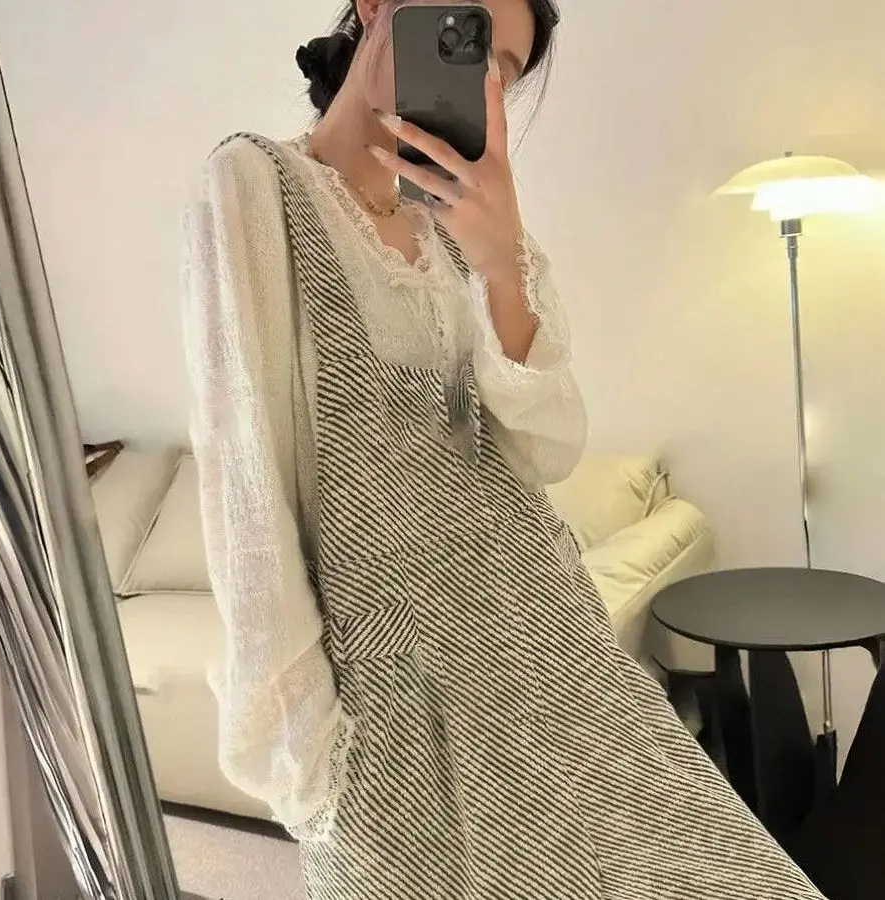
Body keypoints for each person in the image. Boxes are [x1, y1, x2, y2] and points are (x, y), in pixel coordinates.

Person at [181, 0, 827, 897]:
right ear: (375, 7)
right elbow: (246, 492)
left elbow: (546, 446)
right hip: (396, 703)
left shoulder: (468, 224)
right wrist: (310, 762)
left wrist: (500, 263)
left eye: (502, 67)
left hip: (551, 642)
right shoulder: (254, 185)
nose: (479, 75)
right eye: (466, 29)